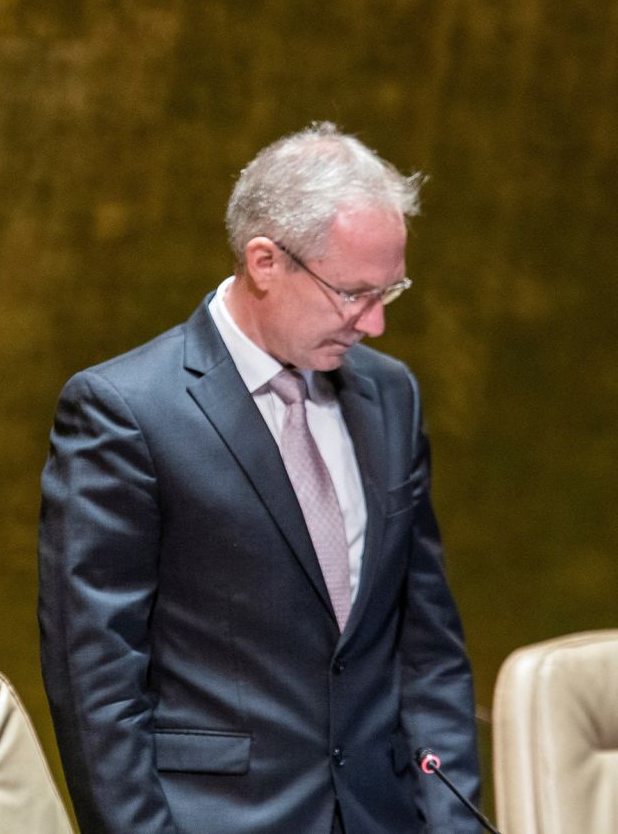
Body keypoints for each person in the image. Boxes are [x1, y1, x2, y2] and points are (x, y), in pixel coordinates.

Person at [38, 123, 481, 833]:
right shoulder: (125, 411)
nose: (376, 323)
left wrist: (453, 820)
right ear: (265, 261)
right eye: (354, 293)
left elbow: (426, 646)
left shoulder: (391, 395)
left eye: (390, 289)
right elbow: (94, 679)